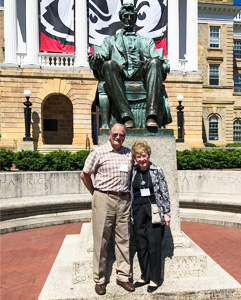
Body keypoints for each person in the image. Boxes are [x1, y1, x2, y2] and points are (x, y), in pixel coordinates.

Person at [88, 3, 170, 129]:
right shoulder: (110, 41)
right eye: (126, 16)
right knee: (108, 64)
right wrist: (95, 58)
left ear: (136, 18)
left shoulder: (147, 41)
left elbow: (158, 60)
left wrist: (163, 65)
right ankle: (126, 116)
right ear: (121, 18)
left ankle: (151, 116)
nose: (129, 19)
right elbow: (101, 58)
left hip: (141, 73)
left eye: (132, 16)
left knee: (154, 63)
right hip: (120, 74)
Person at [80, 123, 135, 295]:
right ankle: (99, 279)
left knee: (124, 239)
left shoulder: (128, 153)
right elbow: (85, 174)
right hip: (104, 197)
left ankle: (123, 276)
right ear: (109, 134)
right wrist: (95, 193)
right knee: (101, 240)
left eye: (122, 135)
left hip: (124, 200)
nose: (118, 138)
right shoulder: (98, 152)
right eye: (115, 134)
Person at [130, 141, 171, 293]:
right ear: (135, 157)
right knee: (141, 243)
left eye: (144, 155)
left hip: (154, 209)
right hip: (137, 210)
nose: (142, 159)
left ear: (148, 155)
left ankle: (155, 278)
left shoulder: (156, 170)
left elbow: (164, 192)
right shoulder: (132, 171)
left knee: (154, 244)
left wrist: (166, 212)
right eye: (138, 156)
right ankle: (145, 275)